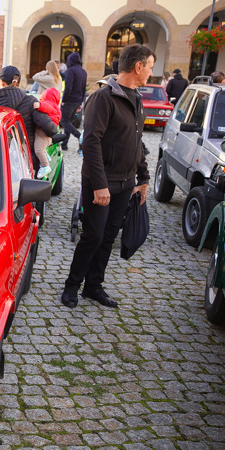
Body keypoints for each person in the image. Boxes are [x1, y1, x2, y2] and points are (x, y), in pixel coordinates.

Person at [61, 44, 153, 309]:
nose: (150, 72)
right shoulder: (103, 97)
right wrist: (100, 186)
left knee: (108, 237)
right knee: (93, 236)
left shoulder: (136, 98)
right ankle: (71, 286)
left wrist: (143, 178)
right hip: (101, 183)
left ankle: (93, 286)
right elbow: (90, 143)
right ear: (137, 67)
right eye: (149, 66)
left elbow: (138, 142)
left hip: (125, 184)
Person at [0, 66, 59, 171]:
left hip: (0, 161)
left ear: (1, 82)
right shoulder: (31, 102)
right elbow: (51, 130)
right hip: (26, 162)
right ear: (18, 82)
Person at [59, 52, 86, 150]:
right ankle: (64, 144)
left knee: (64, 121)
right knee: (69, 122)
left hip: (69, 100)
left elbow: (68, 87)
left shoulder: (71, 71)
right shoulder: (83, 71)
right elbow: (83, 89)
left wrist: (64, 100)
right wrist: (80, 102)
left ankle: (79, 136)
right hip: (77, 100)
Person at [33, 87, 62, 178]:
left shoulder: (49, 104)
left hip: (44, 134)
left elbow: (47, 107)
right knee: (41, 147)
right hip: (47, 133)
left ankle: (45, 166)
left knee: (38, 150)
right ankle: (46, 156)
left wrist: (39, 105)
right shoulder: (56, 107)